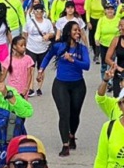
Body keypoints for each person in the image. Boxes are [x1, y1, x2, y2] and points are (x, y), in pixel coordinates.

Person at [38, 21, 91, 156]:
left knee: (75, 114)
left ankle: (72, 135)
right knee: (64, 114)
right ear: (68, 32)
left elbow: (87, 66)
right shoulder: (59, 46)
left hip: (78, 85)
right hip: (61, 84)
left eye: (79, 31)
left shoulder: (82, 49)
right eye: (75, 30)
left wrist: (73, 60)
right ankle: (65, 144)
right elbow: (47, 57)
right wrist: (41, 70)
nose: (78, 33)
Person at [23, 4, 55, 95]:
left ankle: (39, 87)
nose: (38, 13)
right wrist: (25, 44)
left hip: (43, 47)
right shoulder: (29, 22)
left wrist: (48, 35)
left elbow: (52, 33)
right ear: (34, 12)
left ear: (43, 12)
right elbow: (25, 33)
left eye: (40, 11)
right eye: (37, 11)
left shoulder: (47, 22)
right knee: (31, 68)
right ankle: (31, 88)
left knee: (41, 68)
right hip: (31, 47)